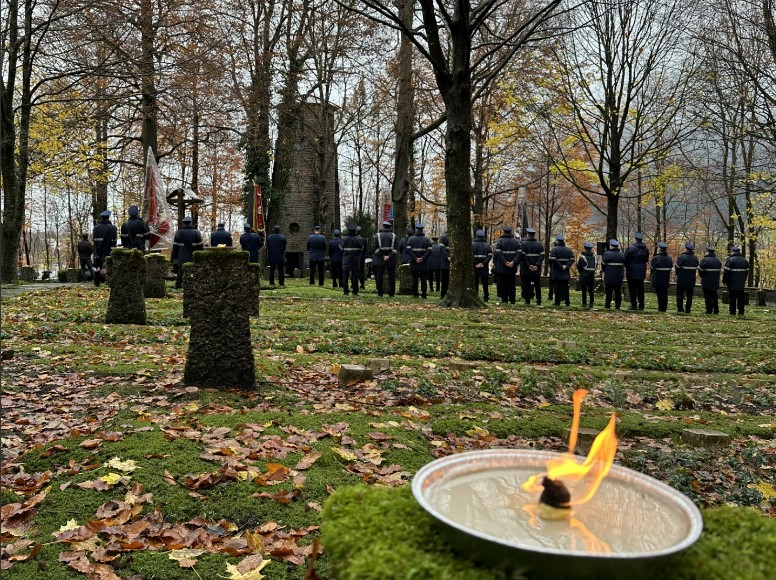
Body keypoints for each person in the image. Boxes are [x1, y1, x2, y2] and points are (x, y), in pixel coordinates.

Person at [172, 215, 204, 289]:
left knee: (180, 270)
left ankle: (178, 285)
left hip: (181, 254)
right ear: (190, 223)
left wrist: (175, 257)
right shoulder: (196, 232)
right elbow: (200, 246)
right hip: (192, 254)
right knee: (192, 270)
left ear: (184, 223)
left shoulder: (179, 233)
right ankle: (193, 284)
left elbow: (175, 247)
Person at [623, 231, 650, 310]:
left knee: (632, 288)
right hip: (642, 271)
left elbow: (625, 259)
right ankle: (641, 305)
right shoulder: (646, 249)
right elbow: (646, 259)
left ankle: (634, 304)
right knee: (640, 288)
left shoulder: (631, 248)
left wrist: (627, 266)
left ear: (635, 238)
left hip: (631, 270)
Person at [493, 226, 519, 304]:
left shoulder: (500, 241)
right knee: (511, 283)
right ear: (511, 232)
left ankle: (504, 300)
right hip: (512, 267)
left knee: (503, 284)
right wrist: (513, 262)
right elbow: (519, 253)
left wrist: (505, 262)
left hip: (502, 267)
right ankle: (512, 299)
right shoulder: (516, 242)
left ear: (504, 232)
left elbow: (498, 253)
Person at [372, 221, 398, 297]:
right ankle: (391, 293)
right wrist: (389, 256)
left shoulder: (377, 236)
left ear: (383, 227)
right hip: (391, 259)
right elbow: (396, 249)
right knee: (391, 277)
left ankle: (380, 293)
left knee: (379, 276)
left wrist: (382, 256)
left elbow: (374, 249)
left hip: (380, 259)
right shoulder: (394, 236)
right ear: (389, 227)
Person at [92, 210, 117, 287]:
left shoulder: (96, 228)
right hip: (108, 250)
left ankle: (97, 282)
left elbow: (95, 240)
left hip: (98, 250)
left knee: (97, 266)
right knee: (109, 266)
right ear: (108, 217)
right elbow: (114, 241)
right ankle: (109, 282)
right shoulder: (112, 228)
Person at [519, 228, 544, 305]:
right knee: (537, 285)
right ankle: (539, 300)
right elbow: (542, 256)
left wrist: (529, 265)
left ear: (527, 235)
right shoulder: (539, 244)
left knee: (526, 284)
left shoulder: (523, 244)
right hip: (536, 269)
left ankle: (527, 300)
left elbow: (523, 256)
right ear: (534, 235)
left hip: (526, 269)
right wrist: (536, 265)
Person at [722, 245, 749, 316]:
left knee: (732, 298)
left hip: (732, 283)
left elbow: (726, 272)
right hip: (741, 283)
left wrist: (724, 280)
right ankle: (741, 312)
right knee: (741, 298)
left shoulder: (730, 260)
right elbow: (746, 273)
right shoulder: (745, 260)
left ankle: (732, 312)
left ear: (733, 252)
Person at [407, 223, 432, 298]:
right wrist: (422, 258)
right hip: (423, 263)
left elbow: (409, 250)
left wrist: (415, 258)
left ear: (416, 230)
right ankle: (424, 294)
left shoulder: (411, 239)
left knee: (414, 279)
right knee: (424, 279)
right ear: (422, 230)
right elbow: (429, 251)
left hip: (414, 262)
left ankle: (415, 294)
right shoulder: (427, 239)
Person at [549, 234, 574, 306]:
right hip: (565, 272)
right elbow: (572, 259)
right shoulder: (568, 250)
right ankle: (567, 302)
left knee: (557, 287)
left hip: (556, 271)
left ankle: (557, 302)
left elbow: (552, 259)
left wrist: (560, 266)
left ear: (557, 241)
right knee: (566, 287)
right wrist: (566, 266)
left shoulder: (554, 249)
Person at [340, 222, 364, 295]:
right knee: (355, 276)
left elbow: (341, 248)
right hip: (356, 260)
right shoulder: (359, 239)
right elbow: (361, 248)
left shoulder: (344, 239)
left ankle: (345, 291)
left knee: (345, 276)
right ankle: (355, 291)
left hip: (346, 260)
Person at [675, 241, 699, 313]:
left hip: (681, 279)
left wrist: (677, 274)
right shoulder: (695, 258)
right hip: (691, 279)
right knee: (689, 295)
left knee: (679, 294)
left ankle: (680, 308)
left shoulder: (682, 257)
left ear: (686, 248)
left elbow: (677, 267)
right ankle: (688, 309)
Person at [601, 239, 625, 309]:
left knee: (608, 291)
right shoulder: (622, 255)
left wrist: (605, 271)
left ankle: (607, 305)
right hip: (619, 276)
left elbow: (603, 265)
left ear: (611, 246)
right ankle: (618, 306)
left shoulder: (606, 254)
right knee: (618, 291)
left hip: (609, 275)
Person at [698, 245, 722, 314]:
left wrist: (702, 277)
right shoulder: (718, 260)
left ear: (707, 252)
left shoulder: (705, 260)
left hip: (707, 281)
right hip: (715, 281)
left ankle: (709, 310)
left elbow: (700, 270)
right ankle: (716, 310)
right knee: (714, 296)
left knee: (707, 296)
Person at [650, 242, 673, 312]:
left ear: (660, 250)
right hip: (665, 279)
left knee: (659, 294)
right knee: (665, 294)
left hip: (657, 279)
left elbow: (652, 268)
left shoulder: (656, 258)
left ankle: (660, 308)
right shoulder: (669, 258)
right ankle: (664, 308)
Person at [472, 229, 493, 302]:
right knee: (485, 283)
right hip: (484, 267)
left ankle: (476, 296)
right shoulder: (487, 245)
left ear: (476, 236)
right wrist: (483, 263)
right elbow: (489, 255)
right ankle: (486, 296)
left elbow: (470, 256)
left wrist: (475, 263)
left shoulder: (472, 245)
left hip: (475, 267)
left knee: (475, 282)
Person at [577, 242, 596, 307]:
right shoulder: (593, 257)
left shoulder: (582, 257)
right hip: (591, 275)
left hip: (584, 275)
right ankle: (591, 302)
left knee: (584, 290)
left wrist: (581, 273)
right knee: (591, 290)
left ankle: (584, 302)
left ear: (585, 249)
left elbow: (579, 266)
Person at [439, 233, 451, 298]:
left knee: (444, 279)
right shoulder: (444, 236)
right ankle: (443, 294)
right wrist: (448, 257)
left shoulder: (443, 236)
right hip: (446, 262)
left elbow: (441, 249)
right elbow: (441, 248)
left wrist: (447, 257)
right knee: (445, 279)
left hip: (445, 262)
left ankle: (443, 294)